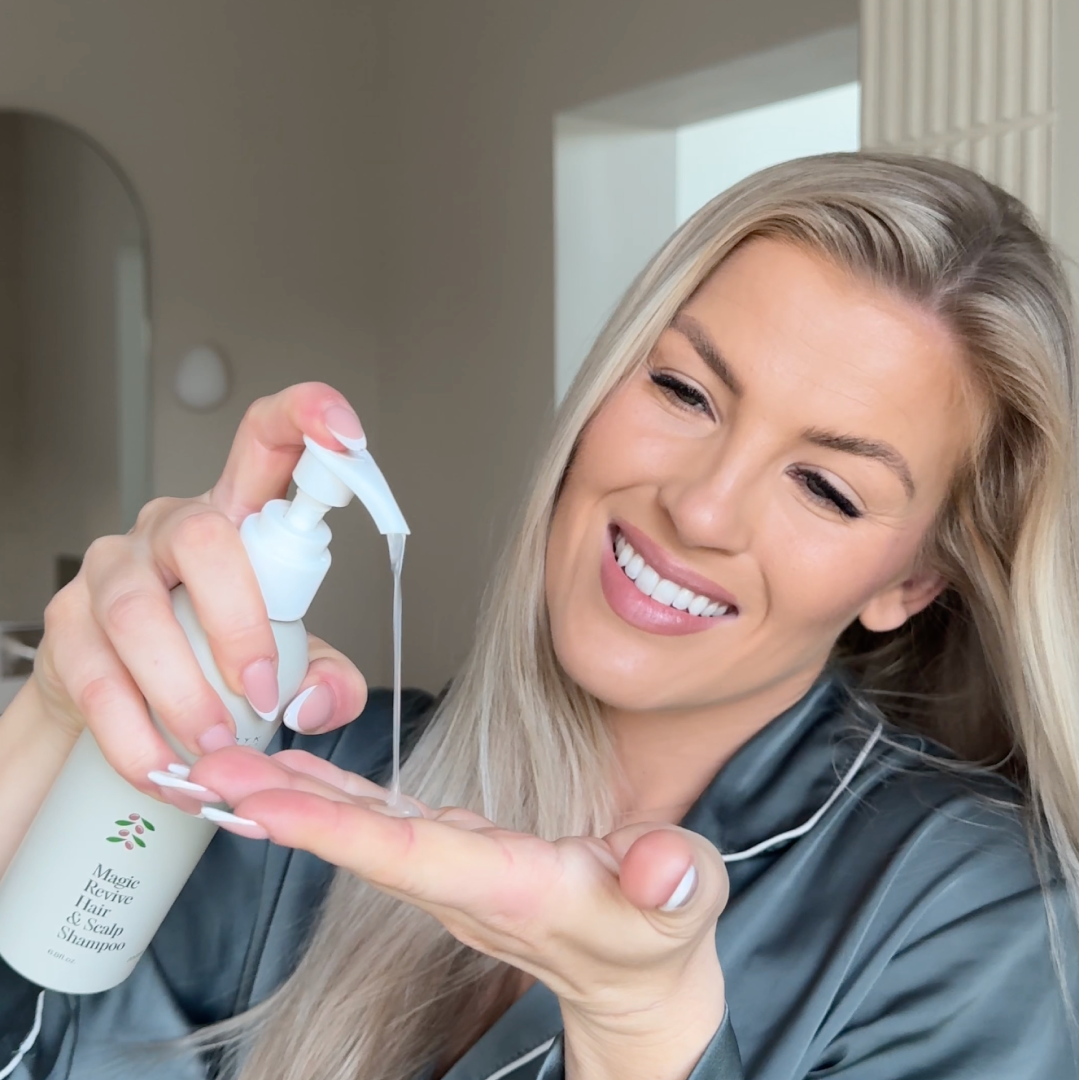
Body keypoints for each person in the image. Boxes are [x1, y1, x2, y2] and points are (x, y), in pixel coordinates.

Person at [0, 152, 1076, 1080]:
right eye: (684, 392)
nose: (700, 508)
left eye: (827, 489)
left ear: (911, 583)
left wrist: (643, 1032)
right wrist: (52, 719)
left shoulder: (978, 917)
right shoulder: (312, 772)